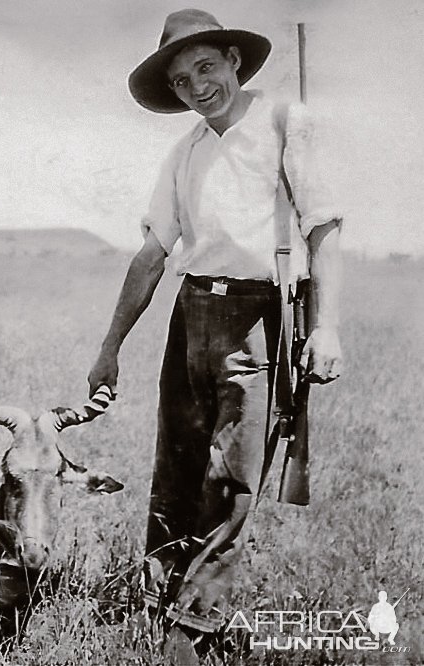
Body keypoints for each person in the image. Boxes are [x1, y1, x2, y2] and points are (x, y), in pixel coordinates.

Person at [86, 8, 343, 658]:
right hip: (190, 314)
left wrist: (328, 328)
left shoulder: (287, 123)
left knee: (231, 476)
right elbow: (151, 258)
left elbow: (323, 227)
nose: (197, 86)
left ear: (232, 59)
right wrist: (109, 347)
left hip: (259, 319)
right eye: (180, 80)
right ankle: (152, 602)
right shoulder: (186, 151)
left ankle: (193, 629)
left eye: (205, 67)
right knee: (175, 464)